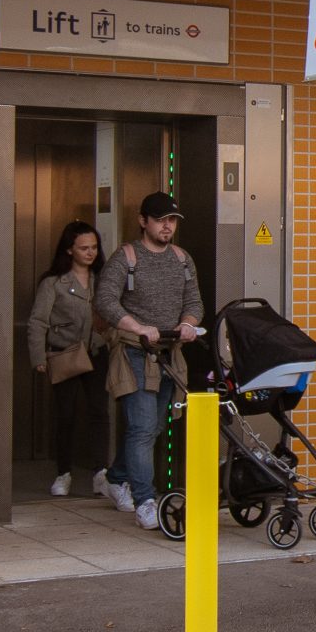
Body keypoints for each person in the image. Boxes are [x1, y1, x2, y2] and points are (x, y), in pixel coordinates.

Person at [94, 192, 205, 528]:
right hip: (134, 352)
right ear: (143, 221)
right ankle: (146, 500)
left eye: (171, 220)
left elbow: (195, 301)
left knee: (154, 428)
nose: (167, 226)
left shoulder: (182, 259)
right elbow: (105, 301)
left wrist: (188, 323)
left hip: (169, 354)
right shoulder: (125, 257)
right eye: (160, 220)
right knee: (143, 428)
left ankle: (113, 478)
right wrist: (138, 327)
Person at [26, 221, 108, 497]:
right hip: (65, 355)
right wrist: (38, 357)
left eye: (94, 247)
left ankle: (100, 472)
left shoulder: (103, 279)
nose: (90, 253)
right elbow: (38, 321)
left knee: (100, 412)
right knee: (66, 416)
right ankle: (63, 473)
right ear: (69, 250)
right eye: (84, 248)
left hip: (96, 353)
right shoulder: (54, 283)